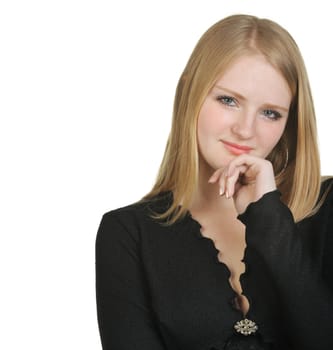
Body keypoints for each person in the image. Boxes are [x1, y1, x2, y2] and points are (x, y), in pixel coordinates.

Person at [95, 14, 333, 350]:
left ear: (288, 123)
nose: (245, 130)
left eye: (270, 113)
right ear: (191, 94)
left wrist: (268, 216)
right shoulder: (128, 233)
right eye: (228, 100)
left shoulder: (327, 208)